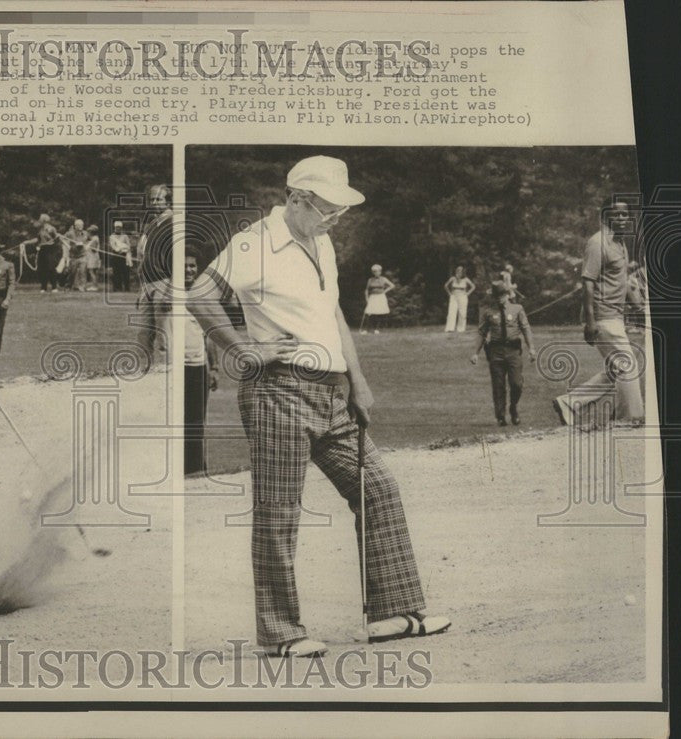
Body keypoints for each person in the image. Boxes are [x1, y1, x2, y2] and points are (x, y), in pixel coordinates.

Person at [188, 155, 449, 657]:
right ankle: (280, 633)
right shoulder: (253, 243)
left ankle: (391, 614)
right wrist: (242, 350)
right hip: (277, 390)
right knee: (280, 512)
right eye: (328, 209)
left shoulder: (322, 241)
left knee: (378, 489)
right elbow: (199, 294)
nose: (335, 218)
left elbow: (331, 314)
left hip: (332, 392)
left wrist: (359, 381)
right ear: (296, 198)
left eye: (340, 211)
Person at [553, 198, 644, 428]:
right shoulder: (598, 243)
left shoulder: (620, 243)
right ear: (606, 217)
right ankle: (630, 418)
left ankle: (568, 403)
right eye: (617, 215)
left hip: (615, 316)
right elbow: (587, 283)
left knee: (615, 369)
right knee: (627, 364)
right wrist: (590, 321)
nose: (622, 219)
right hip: (603, 317)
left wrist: (638, 309)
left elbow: (622, 282)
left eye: (626, 215)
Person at [138, 243, 218, 475]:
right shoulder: (155, 290)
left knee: (196, 424)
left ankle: (195, 474)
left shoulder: (203, 294)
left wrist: (215, 367)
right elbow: (145, 334)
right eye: (184, 266)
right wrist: (144, 368)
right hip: (168, 368)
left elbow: (210, 333)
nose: (189, 270)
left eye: (193, 266)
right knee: (168, 422)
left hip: (197, 367)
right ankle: (163, 472)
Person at [471, 282, 537, 426]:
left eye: (502, 295)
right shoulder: (488, 311)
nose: (500, 298)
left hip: (513, 350)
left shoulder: (517, 309)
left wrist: (531, 348)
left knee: (516, 383)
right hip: (496, 352)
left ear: (508, 295)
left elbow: (526, 329)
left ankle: (513, 407)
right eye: (497, 296)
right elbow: (482, 332)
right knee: (498, 385)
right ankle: (500, 416)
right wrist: (475, 353)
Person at [138, 184, 173, 286]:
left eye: (158, 200)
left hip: (164, 282)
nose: (154, 203)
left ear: (168, 202)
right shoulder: (153, 224)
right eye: (152, 200)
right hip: (148, 281)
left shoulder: (174, 222)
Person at [22, 214, 61, 293]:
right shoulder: (41, 229)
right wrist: (27, 242)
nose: (39, 221)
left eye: (40, 219)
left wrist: (52, 241)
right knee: (42, 269)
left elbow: (57, 239)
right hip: (42, 249)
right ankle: (43, 287)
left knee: (51, 268)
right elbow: (38, 239)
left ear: (44, 220)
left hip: (50, 249)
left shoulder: (51, 229)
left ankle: (54, 287)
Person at [361, 264, 394, 334]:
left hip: (380, 297)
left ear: (380, 271)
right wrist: (366, 298)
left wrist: (385, 291)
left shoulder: (383, 279)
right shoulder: (370, 280)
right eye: (374, 271)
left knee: (379, 312)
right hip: (373, 297)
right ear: (373, 272)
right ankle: (366, 329)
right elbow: (366, 290)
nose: (376, 273)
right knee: (370, 313)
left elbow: (392, 286)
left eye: (378, 271)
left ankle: (376, 329)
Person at [443, 265, 476, 332]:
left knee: (462, 312)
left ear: (463, 272)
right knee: (451, 312)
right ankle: (450, 328)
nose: (459, 272)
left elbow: (473, 286)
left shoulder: (466, 279)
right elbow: (445, 286)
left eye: (460, 271)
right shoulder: (453, 278)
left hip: (462, 296)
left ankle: (461, 329)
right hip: (454, 296)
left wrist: (467, 293)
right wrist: (449, 293)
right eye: (458, 270)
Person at [64, 219, 89, 291]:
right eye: (79, 225)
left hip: (83, 255)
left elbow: (91, 240)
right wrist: (68, 246)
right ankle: (68, 286)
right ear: (75, 226)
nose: (81, 226)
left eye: (82, 225)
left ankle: (82, 287)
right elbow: (62, 239)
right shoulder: (70, 233)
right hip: (73, 256)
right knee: (72, 272)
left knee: (83, 271)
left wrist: (87, 246)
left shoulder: (85, 233)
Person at [108, 220, 133, 292]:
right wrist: (118, 250)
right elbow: (113, 246)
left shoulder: (125, 236)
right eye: (116, 227)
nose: (118, 229)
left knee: (125, 272)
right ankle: (117, 287)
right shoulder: (112, 236)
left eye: (119, 227)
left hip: (124, 256)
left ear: (121, 228)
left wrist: (123, 249)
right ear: (114, 228)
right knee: (116, 272)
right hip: (116, 256)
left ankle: (127, 287)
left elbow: (128, 245)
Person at [84, 225, 101, 291]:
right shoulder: (94, 238)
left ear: (91, 232)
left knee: (92, 271)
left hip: (93, 257)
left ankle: (94, 286)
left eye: (89, 232)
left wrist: (88, 245)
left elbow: (93, 249)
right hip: (92, 256)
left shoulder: (95, 239)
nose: (88, 233)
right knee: (93, 272)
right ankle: (94, 285)